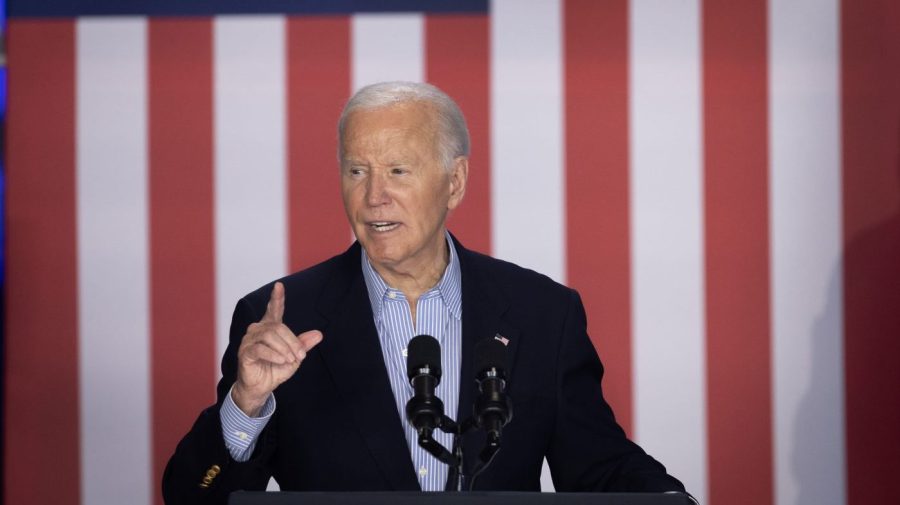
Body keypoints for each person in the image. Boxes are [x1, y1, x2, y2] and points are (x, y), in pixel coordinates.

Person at [162, 82, 690, 504]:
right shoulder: (280, 318)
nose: (373, 197)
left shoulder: (541, 313)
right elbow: (194, 497)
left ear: (455, 182)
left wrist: (670, 500)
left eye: (397, 171)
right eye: (356, 171)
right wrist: (246, 403)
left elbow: (598, 466)